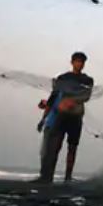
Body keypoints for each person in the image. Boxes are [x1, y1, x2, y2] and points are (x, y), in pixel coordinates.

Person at [32, 52, 94, 184]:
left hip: (76, 116)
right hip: (61, 115)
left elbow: (86, 96)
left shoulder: (87, 80)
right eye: (77, 61)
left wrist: (73, 100)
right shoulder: (63, 78)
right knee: (55, 146)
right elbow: (53, 97)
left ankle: (68, 177)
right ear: (72, 62)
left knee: (72, 147)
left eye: (82, 62)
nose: (79, 64)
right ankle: (48, 177)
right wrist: (43, 118)